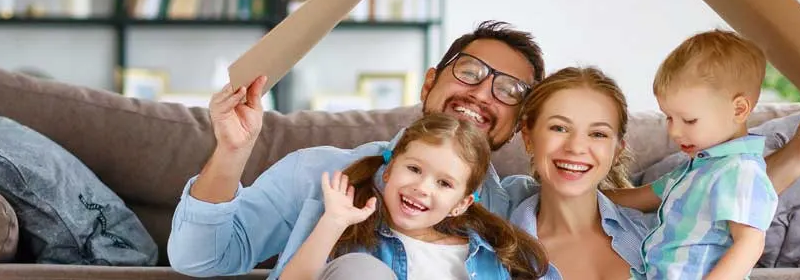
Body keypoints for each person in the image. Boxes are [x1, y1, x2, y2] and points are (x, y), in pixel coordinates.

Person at [168, 21, 547, 278]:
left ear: (519, 126)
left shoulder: (521, 213)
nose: (482, 93)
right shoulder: (322, 174)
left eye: (510, 90)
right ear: (429, 82)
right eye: (469, 71)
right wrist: (232, 151)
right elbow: (199, 260)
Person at [603, 30, 800, 279]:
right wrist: (580, 196)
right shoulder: (696, 168)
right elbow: (639, 197)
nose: (675, 131)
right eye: (669, 117)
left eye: (689, 120)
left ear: (739, 109)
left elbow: (750, 244)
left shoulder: (740, 170)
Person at [278, 114, 548, 280]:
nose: (422, 187)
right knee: (359, 269)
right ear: (389, 170)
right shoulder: (356, 238)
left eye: (443, 183)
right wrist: (333, 222)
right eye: (414, 169)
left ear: (460, 204)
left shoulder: (489, 255)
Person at [503, 67, 650, 280]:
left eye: (598, 134)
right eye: (559, 128)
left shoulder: (654, 233)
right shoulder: (493, 246)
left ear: (617, 150)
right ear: (528, 137)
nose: (576, 147)